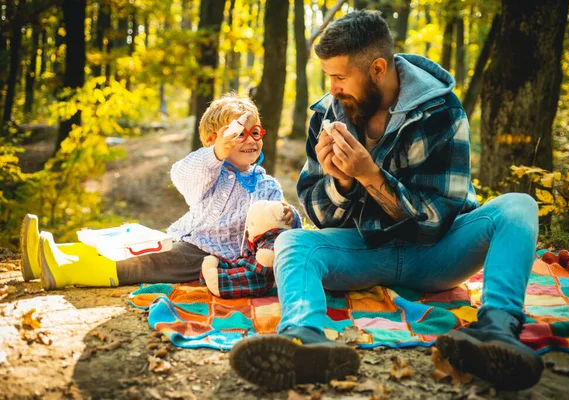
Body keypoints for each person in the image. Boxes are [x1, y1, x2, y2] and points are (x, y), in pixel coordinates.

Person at [229, 10, 542, 391]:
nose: (333, 88)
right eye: (329, 76)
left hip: (439, 254)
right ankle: (303, 339)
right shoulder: (327, 113)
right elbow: (318, 214)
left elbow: (435, 224)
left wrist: (370, 175)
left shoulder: (441, 111)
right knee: (293, 241)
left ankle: (496, 330)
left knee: (518, 206)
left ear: (378, 67)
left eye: (340, 77)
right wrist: (341, 183)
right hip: (364, 250)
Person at [20, 93, 301, 293]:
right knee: (127, 245)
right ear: (212, 141)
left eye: (255, 132)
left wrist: (291, 216)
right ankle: (45, 256)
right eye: (238, 134)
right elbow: (181, 174)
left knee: (145, 262)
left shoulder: (267, 185)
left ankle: (64, 270)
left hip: (210, 257)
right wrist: (218, 154)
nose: (250, 140)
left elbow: (281, 225)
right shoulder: (209, 170)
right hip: (184, 239)